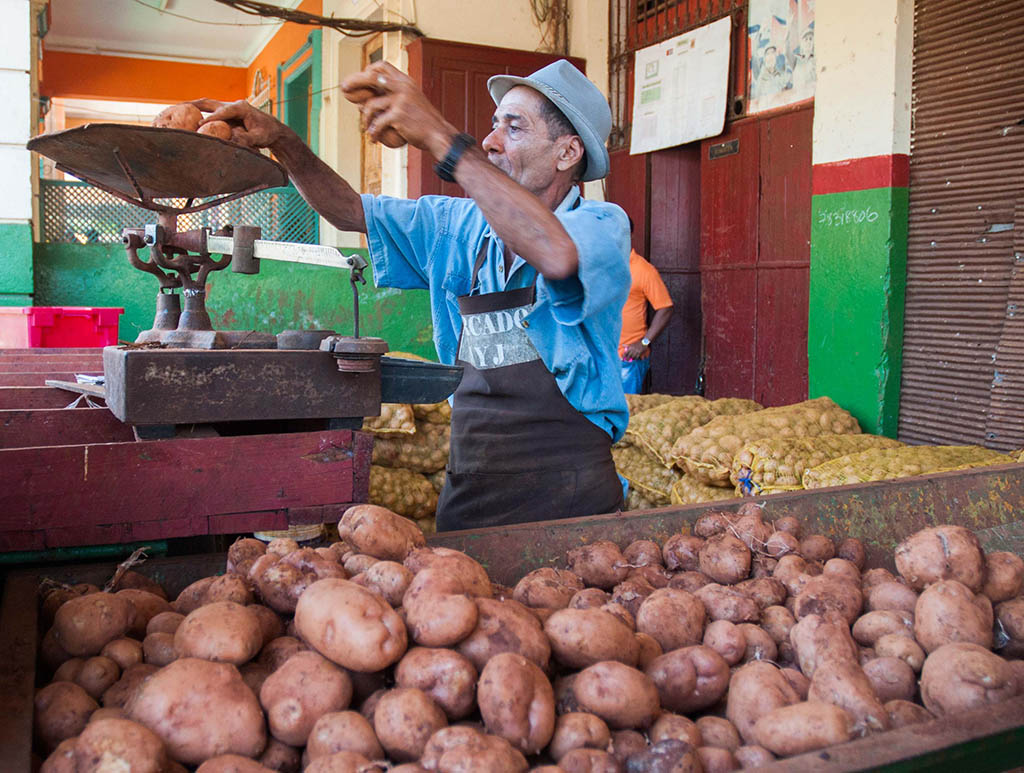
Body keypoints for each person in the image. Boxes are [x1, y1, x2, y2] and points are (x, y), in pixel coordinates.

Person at [195, 59, 631, 532]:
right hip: (473, 487)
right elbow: (347, 210)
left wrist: (442, 138)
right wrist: (283, 142)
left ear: (567, 153)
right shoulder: (455, 226)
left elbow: (556, 253)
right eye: (492, 125)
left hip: (571, 497)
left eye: (514, 126)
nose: (490, 140)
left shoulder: (602, 226)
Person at [619, 217, 674, 394]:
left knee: (628, 417)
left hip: (627, 359)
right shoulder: (600, 267)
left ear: (628, 235)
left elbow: (665, 307)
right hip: (599, 358)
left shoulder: (643, 270)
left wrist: (644, 342)